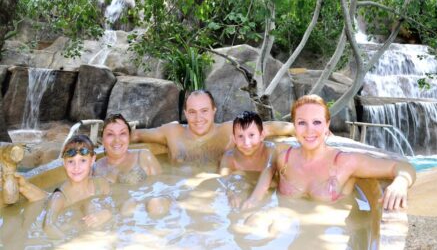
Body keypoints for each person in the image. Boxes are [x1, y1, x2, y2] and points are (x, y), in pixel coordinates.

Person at [245, 94, 416, 211]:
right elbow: (266, 178)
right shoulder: (285, 159)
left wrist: (400, 183)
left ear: (327, 125)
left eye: (317, 122)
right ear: (294, 126)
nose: (309, 130)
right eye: (302, 123)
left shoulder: (345, 162)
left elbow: (402, 167)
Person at [131, 90, 294, 164]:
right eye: (192, 112)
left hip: (220, 195)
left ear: (214, 111)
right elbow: (137, 135)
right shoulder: (172, 132)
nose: (198, 118)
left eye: (204, 111)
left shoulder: (229, 130)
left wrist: (303, 131)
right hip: (179, 196)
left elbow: (269, 128)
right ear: (186, 114)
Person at [17, 135, 112, 239]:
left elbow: (114, 205)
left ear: (92, 160)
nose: (76, 167)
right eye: (71, 161)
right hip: (75, 235)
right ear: (64, 163)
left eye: (83, 160)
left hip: (98, 234)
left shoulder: (101, 184)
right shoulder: (60, 197)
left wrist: (106, 213)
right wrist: (70, 242)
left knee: (91, 207)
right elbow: (48, 226)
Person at [93, 113, 170, 217]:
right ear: (102, 139)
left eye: (122, 134)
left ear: (129, 137)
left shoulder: (143, 156)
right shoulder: (96, 167)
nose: (117, 140)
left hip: (144, 210)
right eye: (110, 134)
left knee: (154, 206)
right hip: (117, 213)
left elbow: (163, 187)